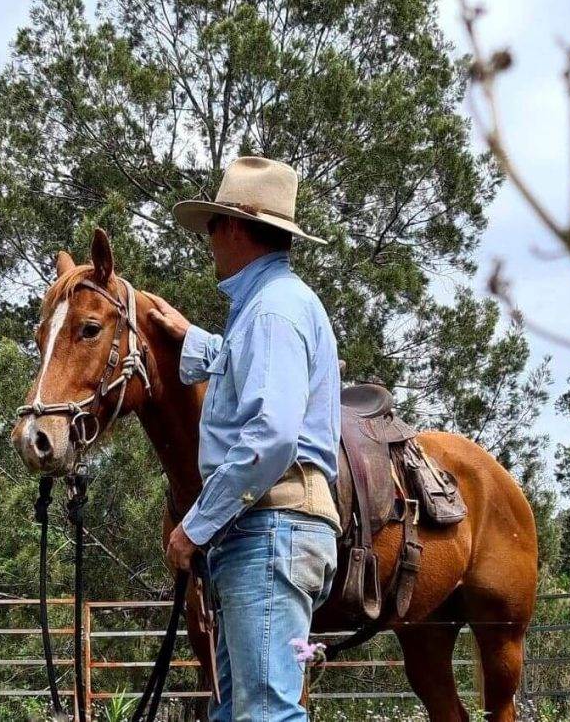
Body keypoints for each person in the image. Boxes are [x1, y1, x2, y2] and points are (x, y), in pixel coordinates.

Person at [147, 156, 341, 722]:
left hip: (268, 528)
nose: (208, 241)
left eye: (211, 226)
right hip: (269, 530)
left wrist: (195, 526)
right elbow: (242, 368)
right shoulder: (271, 307)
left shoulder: (271, 312)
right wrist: (190, 338)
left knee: (265, 715)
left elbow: (271, 437)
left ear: (234, 227)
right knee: (237, 712)